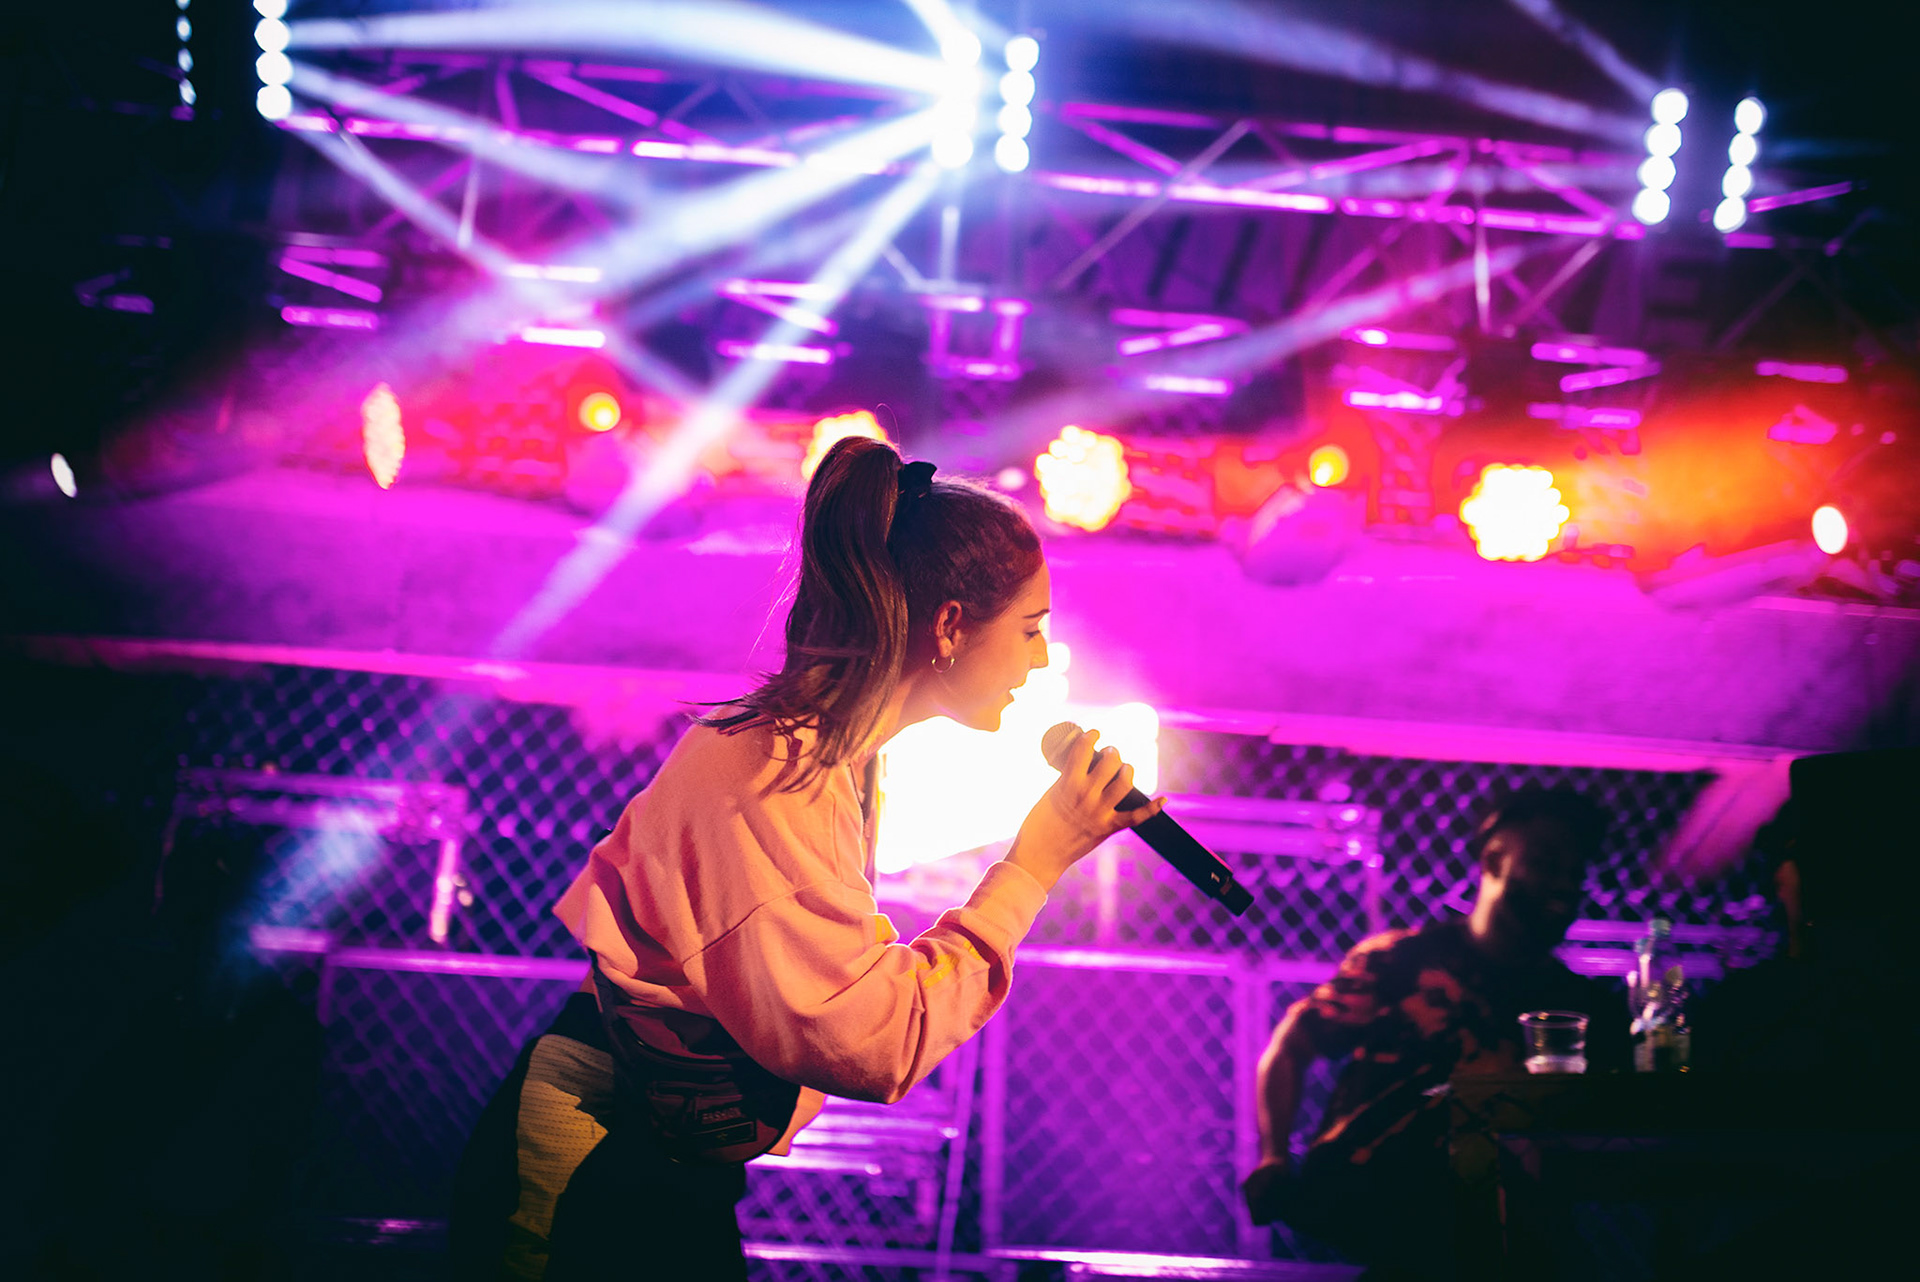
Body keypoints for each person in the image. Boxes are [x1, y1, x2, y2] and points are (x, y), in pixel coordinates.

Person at [523, 437, 1159, 1278]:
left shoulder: (831, 761)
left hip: (664, 1166)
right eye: (1030, 628)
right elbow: (871, 1041)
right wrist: (1034, 865)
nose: (1041, 658)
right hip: (594, 1173)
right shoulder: (772, 775)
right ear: (949, 627)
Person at [1242, 786, 1627, 1281]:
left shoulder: (1578, 1008)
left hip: (1511, 1236)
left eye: (1575, 873)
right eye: (1546, 863)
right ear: (1494, 860)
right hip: (1384, 1217)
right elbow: (1293, 1043)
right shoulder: (1399, 961)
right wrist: (1274, 1156)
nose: (1563, 885)